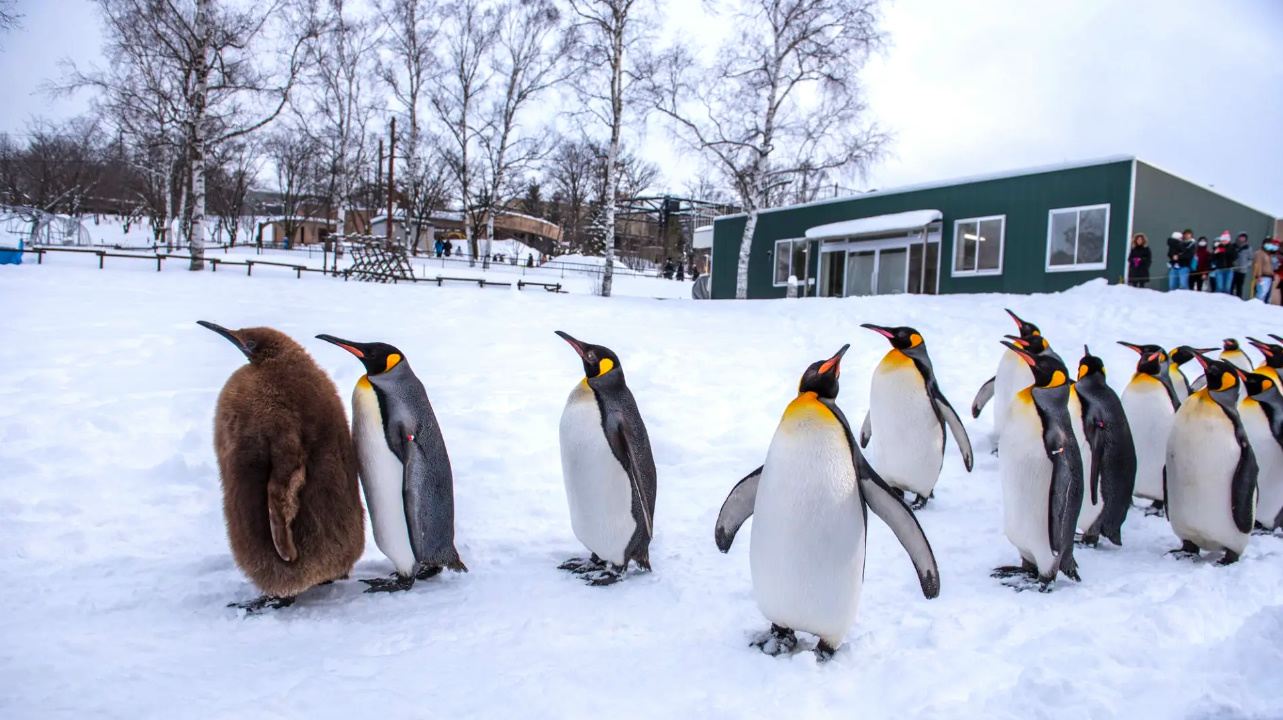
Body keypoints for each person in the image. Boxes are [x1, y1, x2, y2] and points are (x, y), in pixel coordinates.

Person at [1232, 232, 1252, 298]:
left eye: (1244, 237)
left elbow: (1250, 259)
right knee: (1232, 285)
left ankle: (1239, 298)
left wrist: (1247, 265)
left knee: (1239, 285)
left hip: (1242, 270)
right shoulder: (1233, 246)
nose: (1242, 238)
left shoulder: (1248, 248)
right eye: (1241, 237)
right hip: (1234, 269)